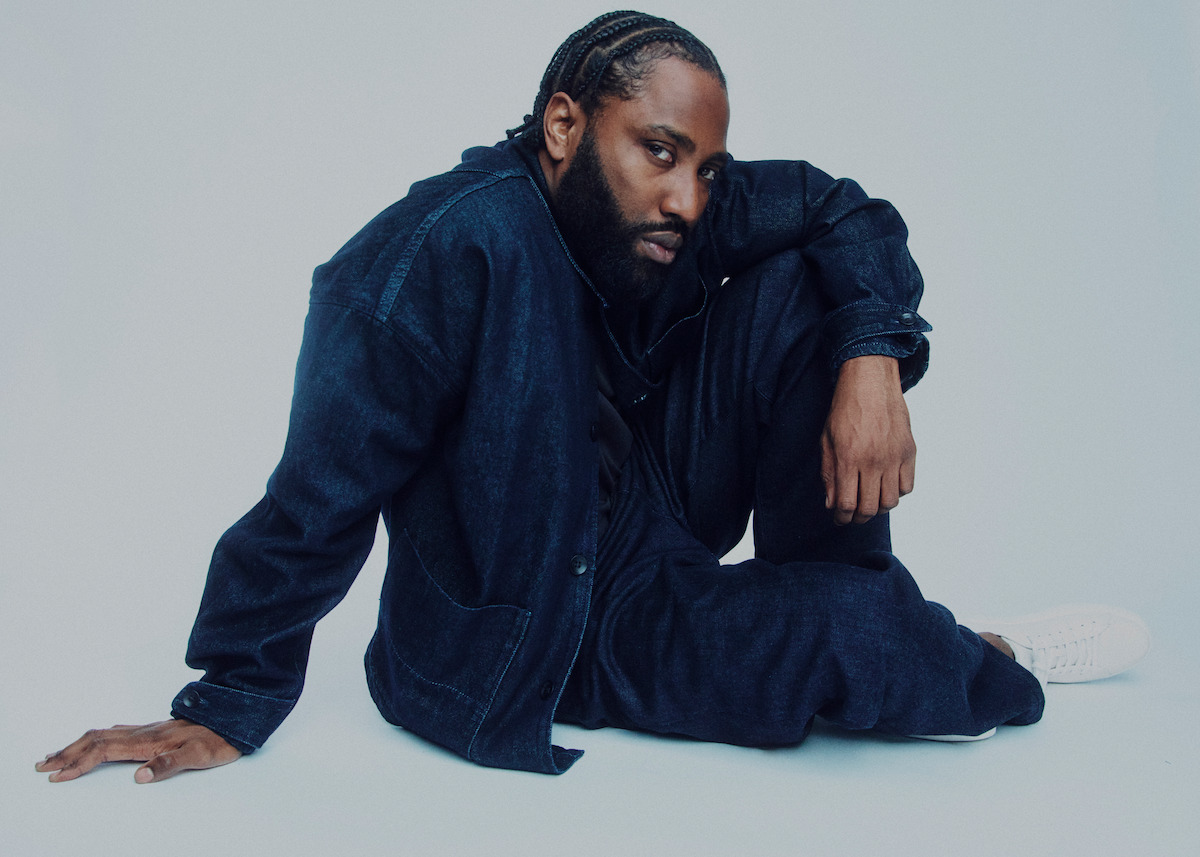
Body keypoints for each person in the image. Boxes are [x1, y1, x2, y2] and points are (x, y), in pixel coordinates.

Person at [37, 10, 1149, 784]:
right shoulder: (439, 254)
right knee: (854, 632)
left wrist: (873, 355)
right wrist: (226, 697)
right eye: (658, 153)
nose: (687, 196)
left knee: (819, 284)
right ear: (566, 126)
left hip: (655, 499)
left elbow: (846, 210)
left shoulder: (678, 204)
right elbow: (317, 493)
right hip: (554, 616)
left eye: (706, 167)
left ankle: (837, 615)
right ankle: (968, 648)